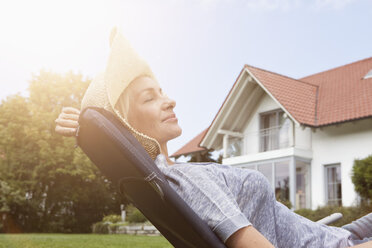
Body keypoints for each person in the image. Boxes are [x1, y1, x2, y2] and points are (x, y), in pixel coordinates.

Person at [55, 28, 372, 248]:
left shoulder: (174, 177)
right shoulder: (182, 179)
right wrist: (93, 124)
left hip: (328, 234)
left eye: (162, 92)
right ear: (127, 121)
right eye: (150, 98)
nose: (170, 101)